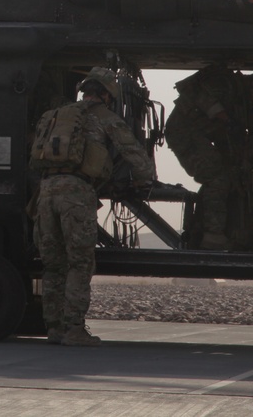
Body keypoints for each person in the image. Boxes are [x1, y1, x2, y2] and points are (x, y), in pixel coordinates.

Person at [35, 67, 156, 347]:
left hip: (46, 192)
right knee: (79, 262)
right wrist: (142, 180)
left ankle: (54, 329)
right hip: (77, 194)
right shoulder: (106, 118)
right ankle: (74, 329)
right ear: (105, 94)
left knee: (53, 264)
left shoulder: (55, 116)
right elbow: (136, 156)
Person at [164, 64, 251, 250]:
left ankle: (206, 230)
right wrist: (227, 121)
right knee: (216, 178)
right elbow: (208, 103)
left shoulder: (233, 89)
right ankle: (213, 235)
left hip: (194, 134)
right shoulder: (222, 82)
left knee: (223, 174)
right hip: (183, 134)